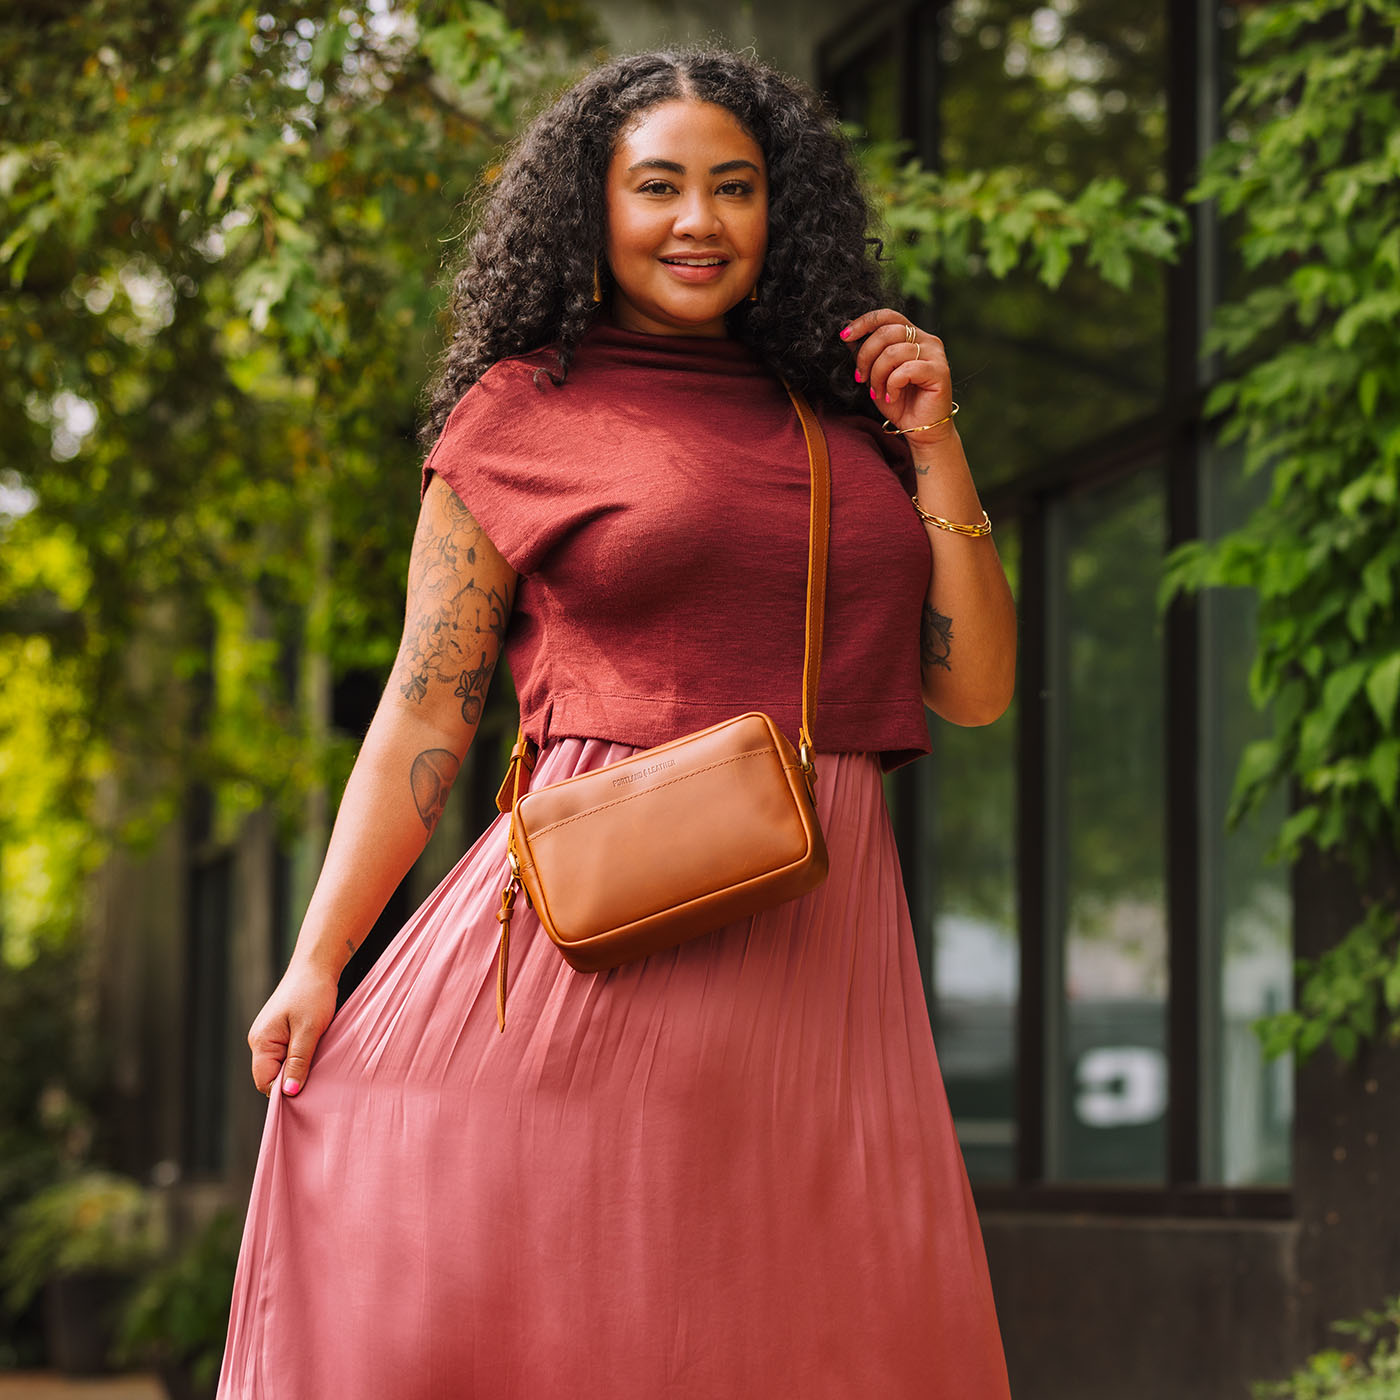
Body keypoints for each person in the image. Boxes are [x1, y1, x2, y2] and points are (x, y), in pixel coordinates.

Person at [220, 47, 1016, 1400]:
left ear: (783, 211)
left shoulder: (851, 418)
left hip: (822, 933)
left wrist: (935, 446)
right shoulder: (519, 412)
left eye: (735, 188)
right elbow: (427, 703)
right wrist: (318, 961)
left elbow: (977, 688)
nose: (698, 221)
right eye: (657, 186)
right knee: (592, 1300)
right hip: (598, 932)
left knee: (802, 1319)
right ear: (592, 208)